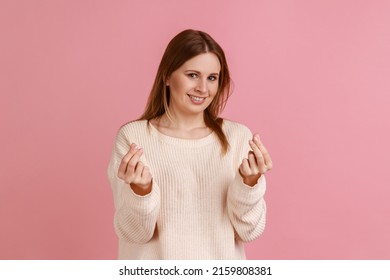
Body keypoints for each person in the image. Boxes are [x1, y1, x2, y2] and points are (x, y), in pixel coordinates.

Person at [107, 29, 272, 259]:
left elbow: (249, 231)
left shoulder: (237, 138)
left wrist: (250, 183)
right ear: (167, 76)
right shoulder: (134, 138)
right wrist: (141, 191)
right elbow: (134, 234)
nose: (203, 89)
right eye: (193, 75)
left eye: (212, 78)